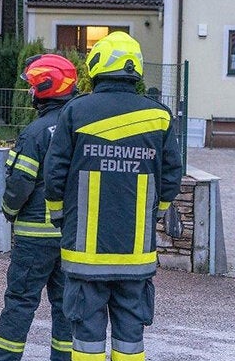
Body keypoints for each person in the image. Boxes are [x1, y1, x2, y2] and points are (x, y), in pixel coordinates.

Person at [44, 32, 183, 361]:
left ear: (97, 66)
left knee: (87, 339)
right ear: (134, 70)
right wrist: (157, 214)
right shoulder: (159, 117)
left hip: (85, 254)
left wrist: (60, 216)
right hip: (135, 255)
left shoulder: (76, 112)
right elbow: (171, 177)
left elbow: (54, 175)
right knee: (130, 339)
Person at [0, 54, 77, 361]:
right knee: (67, 307)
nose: (29, 92)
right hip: (73, 237)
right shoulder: (83, 126)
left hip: (34, 238)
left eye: (33, 85)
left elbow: (19, 185)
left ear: (46, 88)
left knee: (20, 304)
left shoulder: (37, 132)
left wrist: (8, 211)